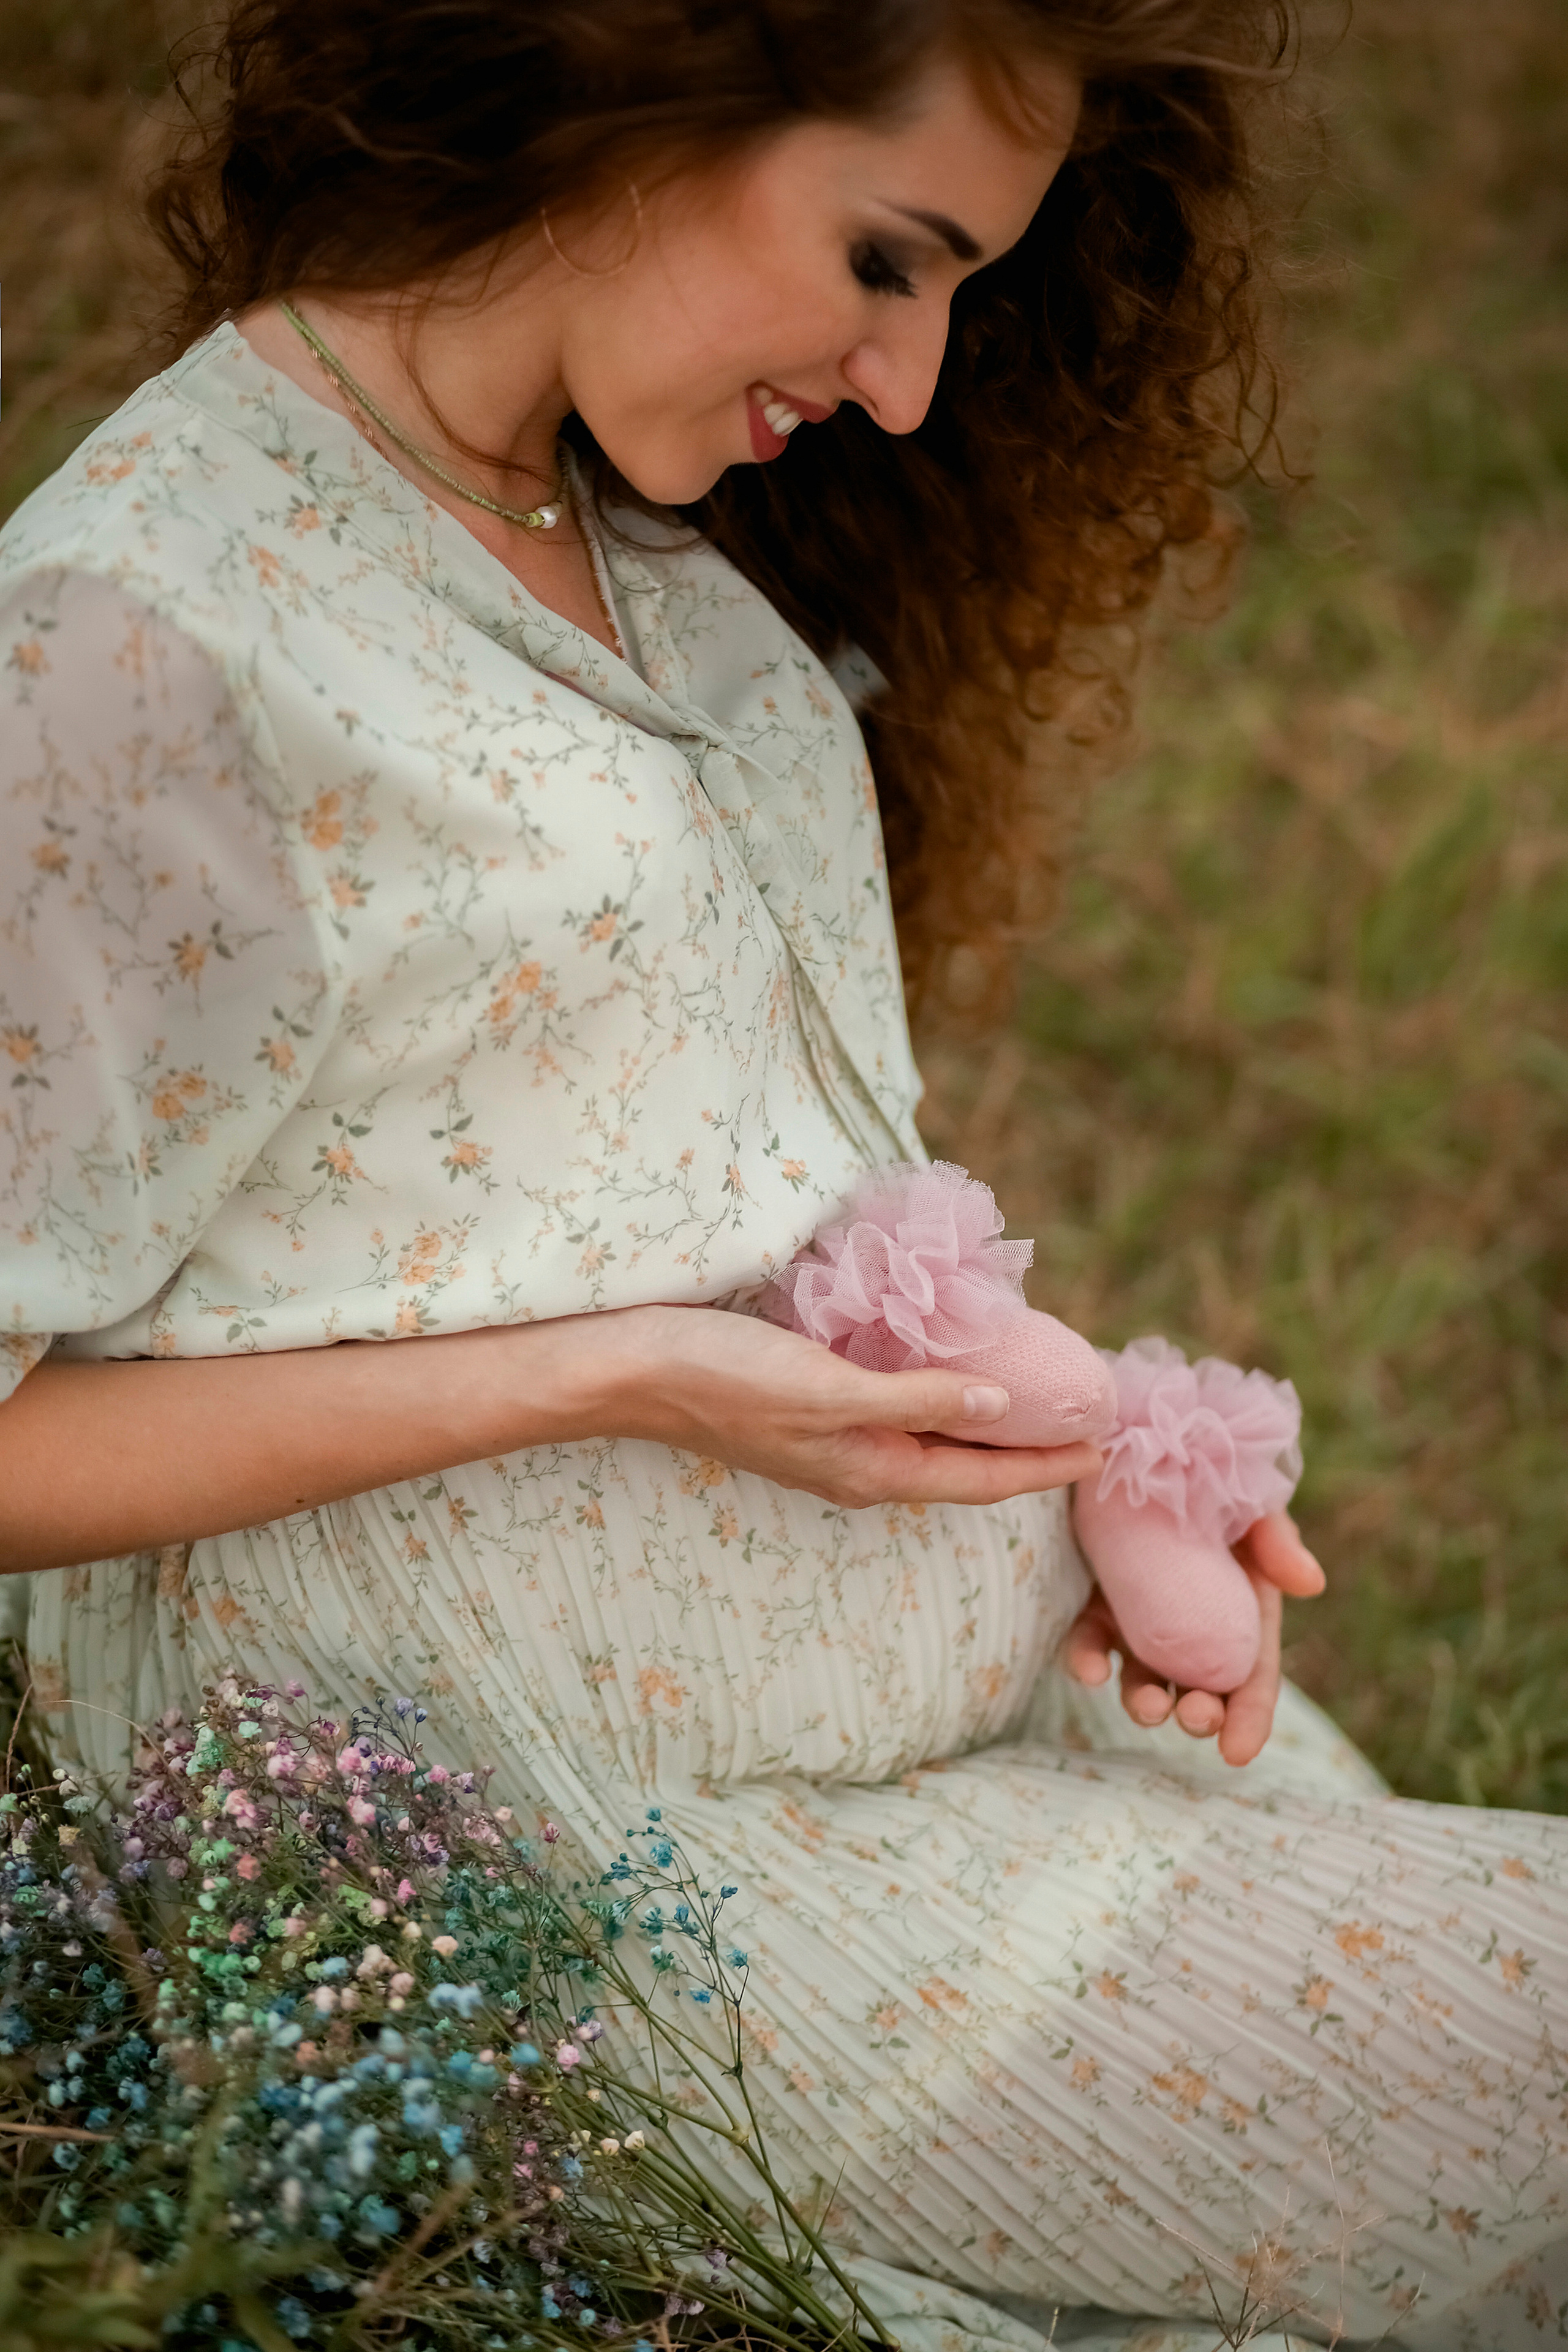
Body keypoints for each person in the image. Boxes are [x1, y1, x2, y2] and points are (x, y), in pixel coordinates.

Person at [0, 2, 1561, 2342]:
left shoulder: (630, 534)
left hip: (941, 1738)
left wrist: (1081, 1464)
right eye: (881, 257)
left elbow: (702, 1168)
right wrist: (623, 1382)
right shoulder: (141, 642)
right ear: (639, 70)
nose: (912, 383)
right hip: (581, 1889)